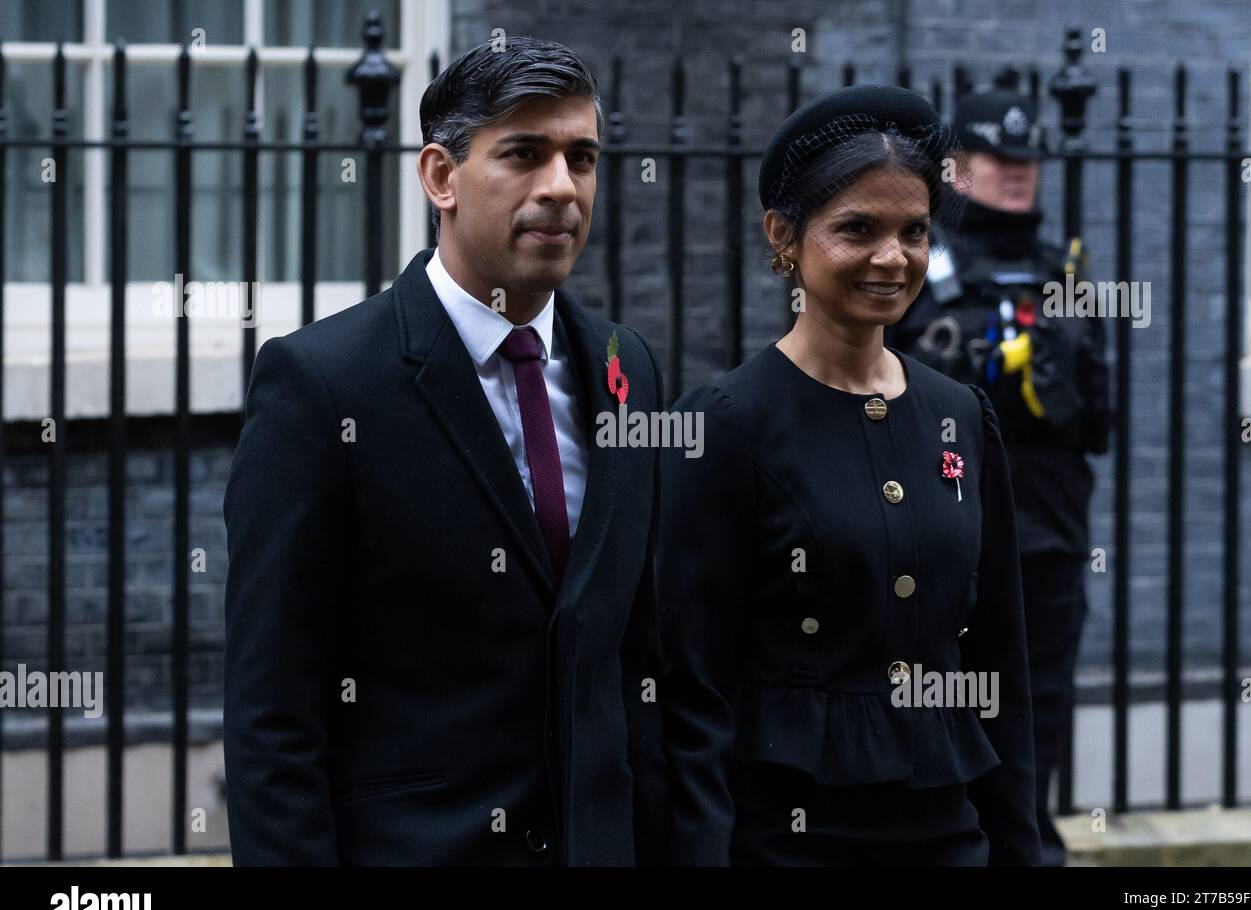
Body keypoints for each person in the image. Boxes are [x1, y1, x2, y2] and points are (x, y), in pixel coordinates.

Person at [223, 36, 668, 866]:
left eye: (582, 157)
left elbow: (640, 659)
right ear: (440, 177)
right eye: (525, 155)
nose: (561, 188)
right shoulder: (321, 385)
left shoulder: (627, 368)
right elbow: (272, 713)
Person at [659, 85, 1040, 866]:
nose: (891, 258)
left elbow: (1000, 665)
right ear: (784, 238)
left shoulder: (962, 416)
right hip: (785, 840)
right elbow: (689, 690)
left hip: (946, 834)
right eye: (856, 229)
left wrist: (1018, 848)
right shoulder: (727, 424)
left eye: (914, 232)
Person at [887, 83, 1109, 866]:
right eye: (997, 156)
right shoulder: (915, 263)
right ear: (958, 167)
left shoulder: (1064, 272)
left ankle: (1027, 848)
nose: (1018, 172)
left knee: (1038, 705)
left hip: (1047, 532)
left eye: (1028, 159)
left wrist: (1062, 385)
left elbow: (1100, 424)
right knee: (934, 698)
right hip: (941, 532)